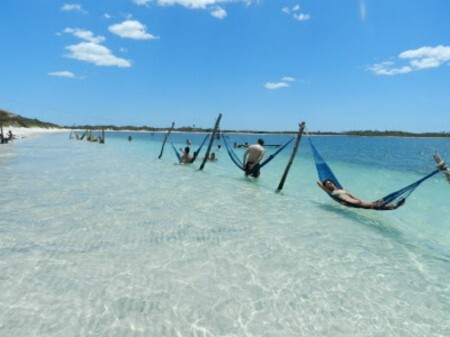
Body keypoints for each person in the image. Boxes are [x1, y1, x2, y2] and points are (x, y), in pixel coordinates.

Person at [317, 179, 404, 210]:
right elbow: (318, 182)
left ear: (333, 183)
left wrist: (357, 199)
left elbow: (350, 195)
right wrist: (324, 185)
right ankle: (380, 203)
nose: (329, 184)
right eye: (327, 184)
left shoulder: (340, 189)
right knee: (374, 205)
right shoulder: (331, 192)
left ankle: (393, 206)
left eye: (330, 182)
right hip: (351, 202)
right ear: (326, 187)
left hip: (355, 201)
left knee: (373, 207)